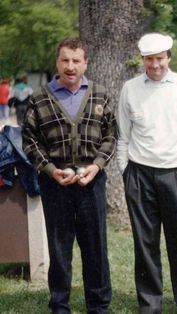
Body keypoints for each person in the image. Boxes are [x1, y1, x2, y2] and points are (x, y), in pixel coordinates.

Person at [22, 37, 116, 314]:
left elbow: (111, 136)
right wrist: (51, 170)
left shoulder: (100, 94)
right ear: (57, 62)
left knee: (95, 247)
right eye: (65, 60)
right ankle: (60, 304)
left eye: (76, 60)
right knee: (59, 245)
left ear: (86, 62)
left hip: (92, 181)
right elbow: (30, 141)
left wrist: (96, 166)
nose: (71, 66)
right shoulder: (39, 98)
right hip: (56, 183)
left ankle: (98, 306)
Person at [117, 33, 177, 314]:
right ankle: (150, 304)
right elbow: (123, 135)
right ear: (143, 60)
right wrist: (125, 172)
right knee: (145, 243)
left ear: (168, 57)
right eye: (149, 59)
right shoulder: (130, 88)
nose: (154, 64)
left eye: (159, 58)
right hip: (140, 174)